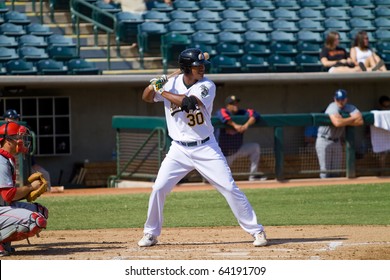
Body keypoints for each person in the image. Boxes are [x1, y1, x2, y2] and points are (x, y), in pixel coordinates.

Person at [139, 48, 267, 247]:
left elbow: (189, 104)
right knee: (158, 188)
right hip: (178, 149)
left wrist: (161, 91)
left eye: (202, 66)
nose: (202, 69)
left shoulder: (207, 85)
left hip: (205, 147)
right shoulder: (171, 82)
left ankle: (256, 230)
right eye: (197, 66)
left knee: (229, 187)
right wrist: (154, 84)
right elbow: (146, 97)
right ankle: (150, 233)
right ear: (186, 69)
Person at [0, 122, 49, 256]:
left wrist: (28, 192)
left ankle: (3, 242)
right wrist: (30, 187)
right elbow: (8, 195)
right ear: (8, 140)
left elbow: (6, 198)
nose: (22, 141)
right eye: (18, 137)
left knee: (41, 212)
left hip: (2, 207)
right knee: (35, 220)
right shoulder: (1, 161)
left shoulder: (6, 158)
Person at [215, 95, 266, 181]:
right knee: (219, 180)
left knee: (255, 147)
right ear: (227, 106)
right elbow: (222, 116)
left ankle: (253, 175)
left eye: (236, 103)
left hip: (237, 149)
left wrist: (246, 125)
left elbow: (255, 114)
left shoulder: (241, 112)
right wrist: (235, 125)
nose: (235, 105)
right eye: (232, 104)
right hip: (224, 154)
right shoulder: (223, 111)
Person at [316, 89, 363, 178]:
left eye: (342, 99)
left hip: (337, 141)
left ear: (346, 99)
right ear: (334, 99)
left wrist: (344, 120)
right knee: (325, 171)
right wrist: (352, 119)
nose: (340, 102)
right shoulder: (332, 107)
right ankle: (325, 190)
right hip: (324, 140)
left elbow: (360, 121)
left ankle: (334, 190)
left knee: (337, 171)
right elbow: (337, 123)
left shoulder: (350, 107)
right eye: (338, 99)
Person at [2, 109, 52, 190]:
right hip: (7, 164)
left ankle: (48, 193)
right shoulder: (3, 131)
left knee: (45, 174)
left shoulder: (22, 129)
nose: (15, 121)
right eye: (12, 119)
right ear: (6, 119)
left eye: (16, 119)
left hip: (23, 164)